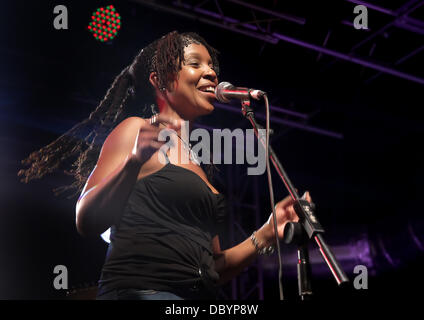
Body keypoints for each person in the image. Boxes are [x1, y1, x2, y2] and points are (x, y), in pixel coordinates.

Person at [18, 31, 312, 300]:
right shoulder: (136, 130)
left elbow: (213, 268)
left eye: (212, 67)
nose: (211, 73)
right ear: (160, 80)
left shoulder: (199, 164)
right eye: (195, 64)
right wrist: (133, 162)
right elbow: (86, 218)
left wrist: (267, 231)